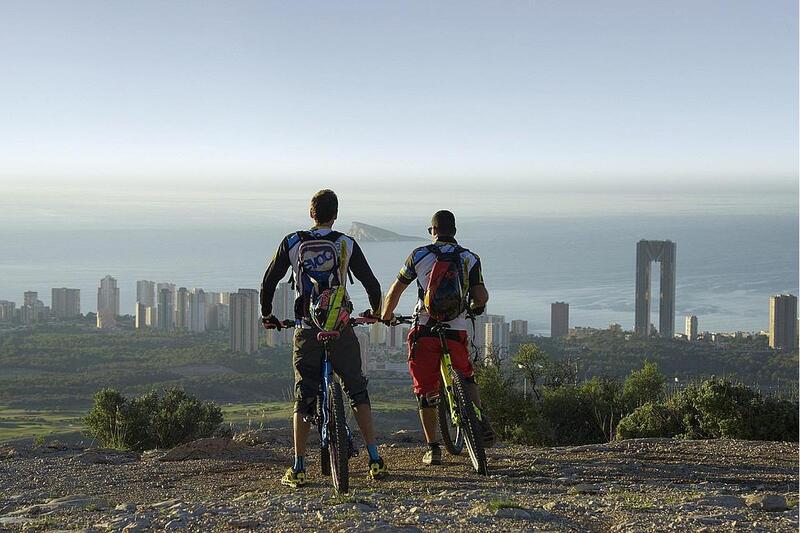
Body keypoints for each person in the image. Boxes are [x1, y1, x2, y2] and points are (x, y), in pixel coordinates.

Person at [260, 189, 388, 487]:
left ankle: (298, 466)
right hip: (340, 328)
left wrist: (267, 314)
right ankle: (374, 458)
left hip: (307, 328)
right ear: (336, 214)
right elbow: (372, 284)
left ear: (311, 214)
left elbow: (268, 281)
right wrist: (376, 311)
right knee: (357, 391)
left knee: (304, 396)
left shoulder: (293, 242)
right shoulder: (345, 242)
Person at [381, 210, 495, 466]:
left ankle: (433, 448)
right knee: (466, 375)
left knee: (425, 390)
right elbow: (481, 296)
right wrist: (475, 307)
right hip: (456, 329)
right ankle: (476, 419)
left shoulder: (419, 255)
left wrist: (386, 316)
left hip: (425, 329)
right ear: (454, 230)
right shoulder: (469, 258)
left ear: (432, 231)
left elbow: (394, 291)